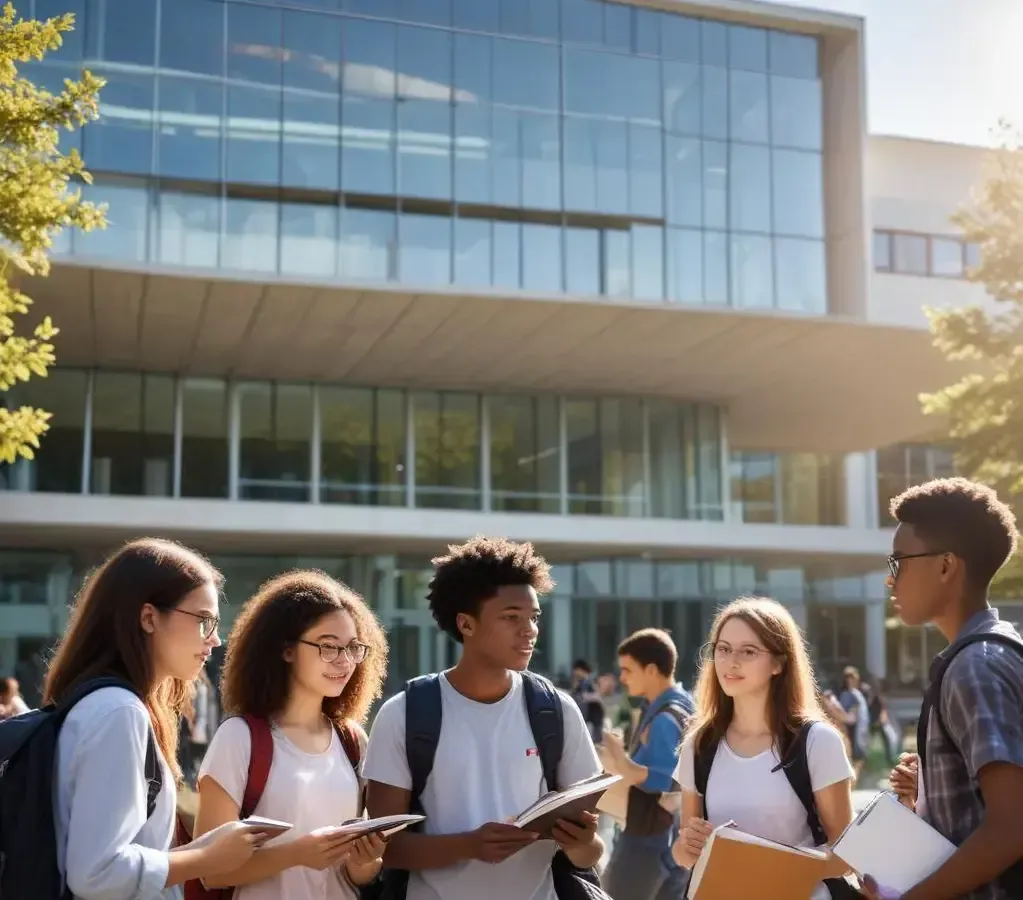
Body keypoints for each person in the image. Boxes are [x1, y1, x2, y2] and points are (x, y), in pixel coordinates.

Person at [363, 536, 604, 900]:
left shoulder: (557, 711)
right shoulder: (404, 714)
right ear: (466, 624)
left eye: (534, 617)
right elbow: (386, 848)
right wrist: (470, 845)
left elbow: (590, 855)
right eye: (511, 617)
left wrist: (582, 843)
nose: (529, 629)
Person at [43, 538, 261, 900]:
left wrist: (204, 849)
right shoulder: (119, 712)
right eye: (204, 621)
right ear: (148, 618)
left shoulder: (103, 704)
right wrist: (206, 858)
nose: (215, 640)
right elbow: (98, 873)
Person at [868, 478, 1023, 900]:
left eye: (898, 562)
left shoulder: (974, 668)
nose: (890, 580)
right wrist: (931, 792)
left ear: (945, 566)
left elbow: (1010, 827)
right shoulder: (1000, 650)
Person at [194, 570, 390, 900]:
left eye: (353, 647)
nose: (344, 661)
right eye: (329, 646)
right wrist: (296, 854)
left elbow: (356, 875)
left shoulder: (353, 740)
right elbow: (210, 871)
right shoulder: (239, 738)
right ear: (286, 649)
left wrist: (366, 861)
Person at [672, 597, 855, 900]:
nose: (731, 661)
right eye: (723, 649)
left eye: (748, 651)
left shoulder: (818, 742)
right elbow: (684, 854)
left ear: (778, 664)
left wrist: (770, 865)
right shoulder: (699, 745)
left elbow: (846, 855)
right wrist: (687, 847)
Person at [599, 628, 694, 900]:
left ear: (651, 670)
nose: (622, 677)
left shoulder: (665, 719)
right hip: (669, 840)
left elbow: (667, 779)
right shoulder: (683, 706)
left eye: (628, 670)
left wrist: (621, 761)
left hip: (648, 840)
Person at [838, 666, 871, 781]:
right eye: (850, 678)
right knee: (856, 758)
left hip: (861, 730)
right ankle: (851, 782)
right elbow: (848, 716)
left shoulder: (857, 693)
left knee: (858, 759)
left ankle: (853, 781)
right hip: (853, 731)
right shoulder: (848, 695)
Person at [569, 659, 605, 743]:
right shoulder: (582, 683)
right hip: (589, 721)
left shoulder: (588, 682)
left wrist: (582, 696)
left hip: (592, 721)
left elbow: (596, 696)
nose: (575, 675)